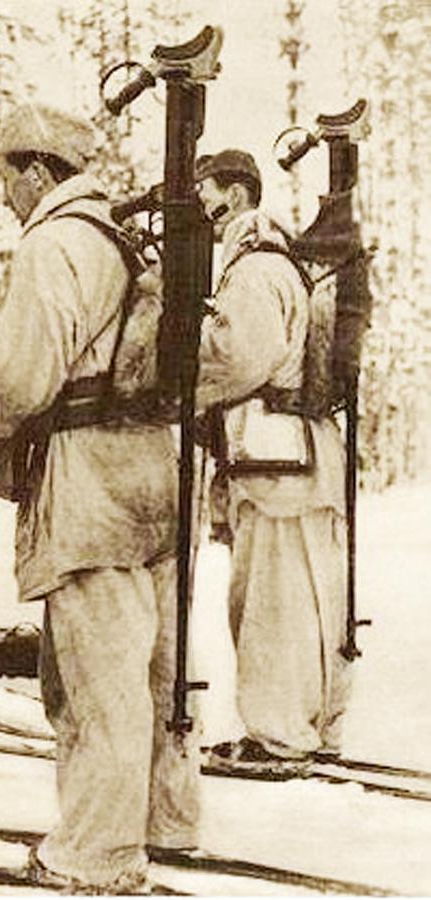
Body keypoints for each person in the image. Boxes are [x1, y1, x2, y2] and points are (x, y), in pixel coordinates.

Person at [0, 102, 199, 894]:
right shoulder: (120, 238)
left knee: (96, 678)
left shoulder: (55, 242)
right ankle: (164, 820)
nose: (5, 196)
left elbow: (21, 378)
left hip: (89, 480)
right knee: (154, 669)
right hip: (150, 468)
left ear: (36, 171)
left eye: (7, 177)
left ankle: (96, 852)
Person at [194, 149, 349, 767]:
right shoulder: (279, 261)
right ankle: (310, 726)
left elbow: (240, 357)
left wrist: (183, 382)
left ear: (234, 195)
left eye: (205, 192)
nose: (198, 206)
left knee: (272, 602)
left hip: (274, 459)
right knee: (308, 596)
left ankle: (278, 733)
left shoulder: (254, 267)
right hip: (296, 455)